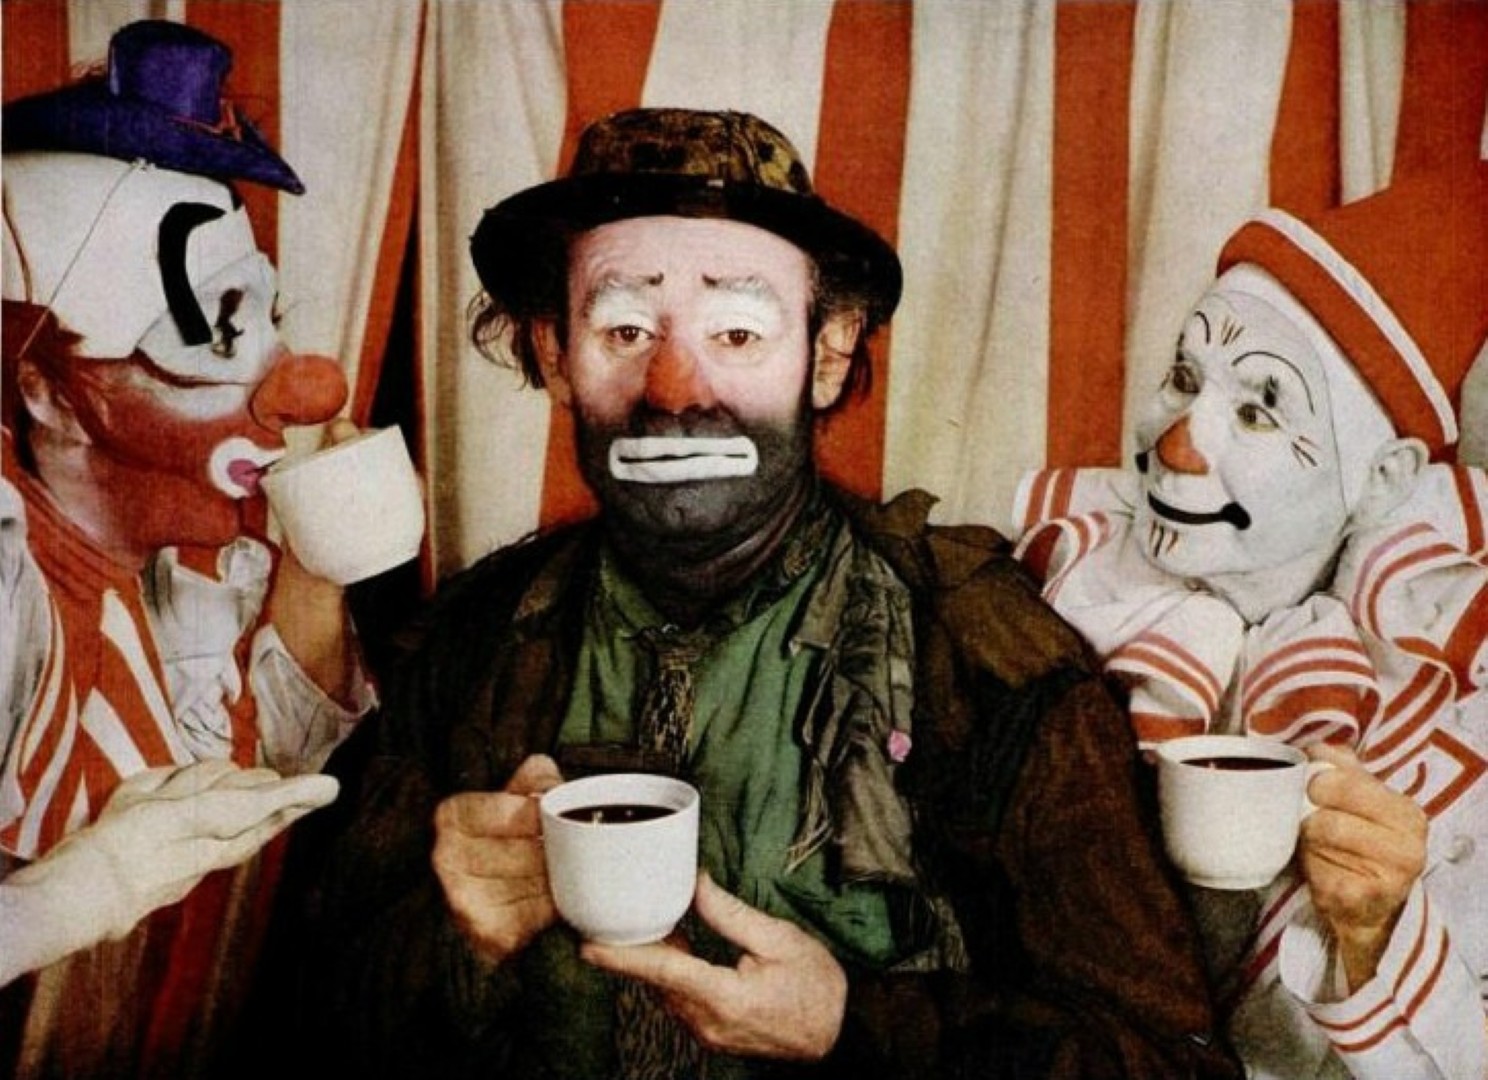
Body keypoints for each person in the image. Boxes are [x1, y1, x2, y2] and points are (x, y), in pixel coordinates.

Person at [264, 107, 1242, 1080]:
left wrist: (854, 1027)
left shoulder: (979, 655)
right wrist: (458, 946)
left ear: (827, 353)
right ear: (555, 353)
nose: (674, 389)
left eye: (737, 332)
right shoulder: (475, 641)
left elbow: (1173, 1065)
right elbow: (303, 1032)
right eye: (624, 329)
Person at [1013, 162, 1488, 1079]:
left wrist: (1378, 939)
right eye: (1182, 378)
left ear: (1384, 480)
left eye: (1259, 409)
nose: (1178, 443)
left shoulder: (1459, 684)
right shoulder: (1045, 587)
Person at [0, 19, 376, 1076]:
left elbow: (259, 770)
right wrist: (80, 892)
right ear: (49, 393)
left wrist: (317, 560)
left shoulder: (193, 558)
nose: (296, 384)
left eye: (267, 322)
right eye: (217, 332)